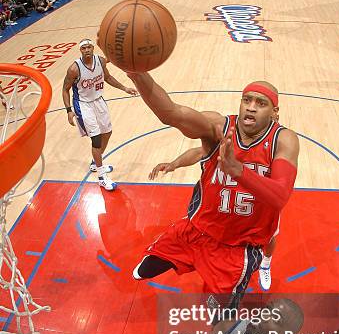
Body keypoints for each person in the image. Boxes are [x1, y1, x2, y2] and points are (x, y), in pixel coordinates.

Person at [127, 71, 299, 305]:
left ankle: (263, 267)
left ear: (275, 112)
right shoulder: (218, 126)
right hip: (198, 230)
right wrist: (138, 75)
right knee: (145, 268)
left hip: (239, 246)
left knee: (221, 315)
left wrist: (238, 170)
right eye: (246, 100)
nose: (251, 107)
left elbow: (280, 196)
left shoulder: (283, 140)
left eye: (261, 103)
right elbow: (172, 113)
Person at [149, 147, 277, 291]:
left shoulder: (276, 145)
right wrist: (174, 164)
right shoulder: (232, 138)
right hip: (226, 200)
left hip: (259, 205)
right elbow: (200, 152)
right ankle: (207, 264)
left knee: (270, 234)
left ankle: (265, 264)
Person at [63, 39, 137, 191]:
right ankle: (102, 177)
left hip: (98, 100)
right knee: (96, 139)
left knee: (107, 132)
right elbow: (65, 89)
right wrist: (69, 110)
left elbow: (108, 78)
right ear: (80, 51)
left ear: (93, 48)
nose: (87, 50)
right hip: (83, 105)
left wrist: (124, 88)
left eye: (89, 47)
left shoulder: (100, 61)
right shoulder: (74, 69)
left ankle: (95, 163)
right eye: (84, 48)